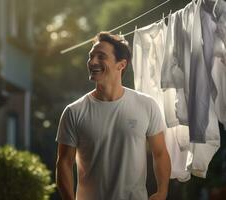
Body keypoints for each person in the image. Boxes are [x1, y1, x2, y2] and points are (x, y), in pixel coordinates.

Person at [55, 32, 171, 200]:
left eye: (101, 56)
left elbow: (160, 153)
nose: (92, 61)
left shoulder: (146, 105)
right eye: (91, 56)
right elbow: (64, 163)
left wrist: (162, 192)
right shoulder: (74, 111)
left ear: (121, 64)